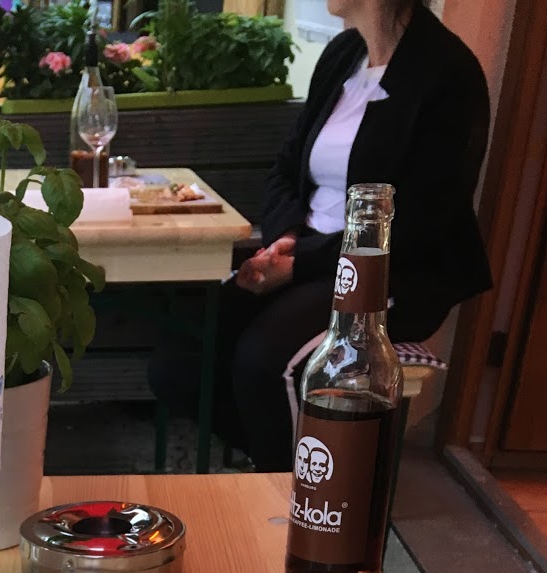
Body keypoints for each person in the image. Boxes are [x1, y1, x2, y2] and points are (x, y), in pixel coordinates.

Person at [148, 0, 492, 471]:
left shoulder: (446, 73)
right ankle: (291, 468)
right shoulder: (343, 55)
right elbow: (286, 168)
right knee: (180, 360)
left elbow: (420, 222)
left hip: (390, 271)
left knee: (264, 363)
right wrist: (287, 237)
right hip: (306, 254)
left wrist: (299, 263)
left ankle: (301, 497)